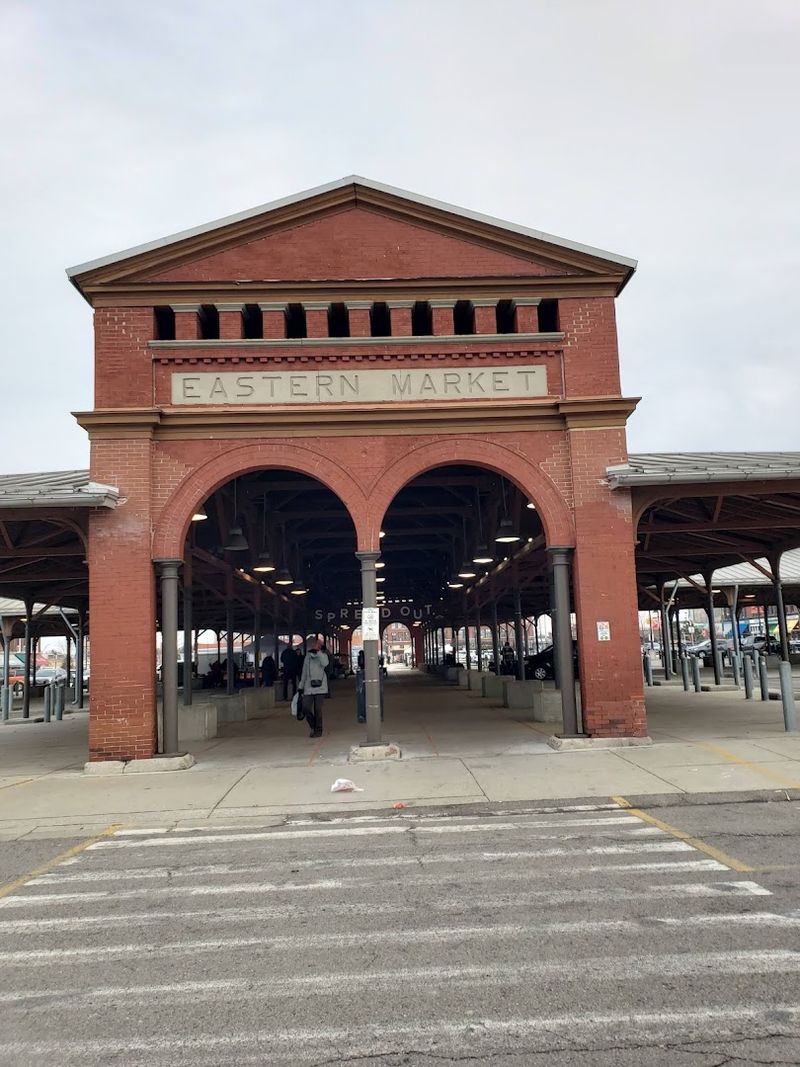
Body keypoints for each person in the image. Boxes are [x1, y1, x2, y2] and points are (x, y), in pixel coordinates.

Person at [298, 639, 329, 738]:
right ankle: (313, 726)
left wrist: (318, 652)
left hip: (320, 687)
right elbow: (304, 672)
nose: (315, 646)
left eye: (318, 645)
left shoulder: (323, 655)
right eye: (314, 645)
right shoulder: (307, 657)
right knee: (306, 707)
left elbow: (325, 663)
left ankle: (318, 730)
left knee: (318, 709)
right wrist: (300, 686)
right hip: (308, 687)